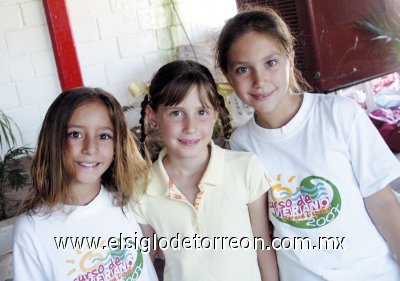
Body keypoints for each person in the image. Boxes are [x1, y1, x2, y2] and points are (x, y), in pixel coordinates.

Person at [216, 6, 400, 281]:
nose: (260, 80)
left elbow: (382, 202)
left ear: (290, 57)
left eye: (270, 62)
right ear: (229, 77)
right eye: (243, 69)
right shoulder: (241, 145)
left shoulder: (340, 114)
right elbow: (261, 235)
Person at [133, 60, 279, 281]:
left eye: (201, 112)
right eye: (176, 113)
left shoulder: (245, 168)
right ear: (153, 116)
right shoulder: (140, 190)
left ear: (215, 113)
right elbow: (147, 263)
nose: (190, 126)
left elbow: (263, 248)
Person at [13, 87, 158, 281]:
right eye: (75, 134)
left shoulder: (130, 201)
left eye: (104, 136)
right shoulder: (31, 230)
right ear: (54, 140)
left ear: (117, 146)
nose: (90, 148)